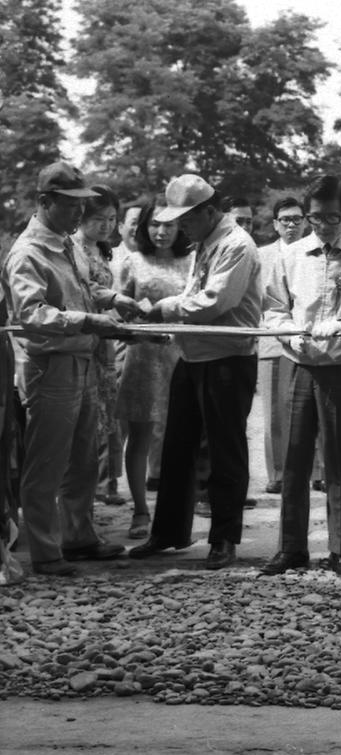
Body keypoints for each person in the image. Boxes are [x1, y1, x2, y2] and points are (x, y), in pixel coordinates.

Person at [2, 164, 137, 575]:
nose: (79, 214)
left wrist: (113, 299)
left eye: (82, 205)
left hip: (81, 359)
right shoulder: (28, 252)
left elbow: (83, 289)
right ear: (45, 203)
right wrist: (88, 320)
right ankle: (45, 550)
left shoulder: (65, 244)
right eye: (70, 205)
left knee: (83, 458)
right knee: (47, 461)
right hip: (51, 365)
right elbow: (31, 313)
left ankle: (78, 536)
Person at [129, 175, 261, 570]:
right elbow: (193, 295)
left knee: (225, 452)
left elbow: (214, 301)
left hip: (227, 359)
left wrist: (161, 308)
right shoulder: (206, 242)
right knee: (176, 447)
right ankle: (168, 532)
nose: (179, 227)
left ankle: (224, 538)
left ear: (208, 211)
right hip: (194, 355)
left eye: (185, 219)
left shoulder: (237, 245)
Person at [259, 176, 341, 579]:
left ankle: (340, 550)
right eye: (316, 218)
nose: (324, 226)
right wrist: (288, 330)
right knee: (293, 460)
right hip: (300, 365)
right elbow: (274, 306)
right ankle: (291, 547)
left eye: (331, 217)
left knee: (340, 461)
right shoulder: (292, 255)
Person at [115, 203, 191, 537]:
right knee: (141, 436)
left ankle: (176, 514)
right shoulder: (133, 262)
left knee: (180, 437)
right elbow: (119, 311)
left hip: (181, 356)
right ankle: (141, 511)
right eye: (154, 226)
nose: (161, 232)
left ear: (180, 228)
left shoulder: (191, 261)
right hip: (143, 357)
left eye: (169, 226)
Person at [74, 187, 124, 507]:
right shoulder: (75, 247)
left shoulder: (101, 248)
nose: (106, 225)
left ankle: (102, 485)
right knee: (86, 423)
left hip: (105, 341)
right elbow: (86, 290)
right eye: (98, 219)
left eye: (111, 219)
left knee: (106, 417)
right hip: (84, 338)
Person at [256, 196, 306, 495]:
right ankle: (276, 473)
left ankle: (316, 471)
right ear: (275, 224)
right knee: (274, 412)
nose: (291, 224)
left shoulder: (314, 251)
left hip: (308, 340)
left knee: (308, 409)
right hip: (272, 340)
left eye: (297, 219)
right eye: (285, 219)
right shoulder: (261, 255)